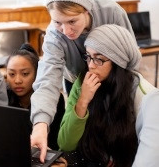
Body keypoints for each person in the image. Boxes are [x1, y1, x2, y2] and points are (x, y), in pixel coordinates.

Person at [30, 0, 135, 162]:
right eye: (57, 22)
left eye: (72, 21)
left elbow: (130, 54)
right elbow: (47, 80)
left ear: (87, 10)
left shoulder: (112, 12)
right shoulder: (55, 35)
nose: (66, 31)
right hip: (77, 83)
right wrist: (40, 125)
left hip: (115, 80)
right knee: (83, 131)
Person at [58, 24, 158, 167]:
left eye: (99, 59)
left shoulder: (143, 96)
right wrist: (83, 101)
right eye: (88, 57)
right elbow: (65, 144)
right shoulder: (82, 83)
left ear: (118, 62)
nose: (91, 65)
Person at [6, 43, 65, 150]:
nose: (17, 80)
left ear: (37, 74)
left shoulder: (54, 99)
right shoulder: (3, 96)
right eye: (12, 74)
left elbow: (55, 142)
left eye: (25, 74)